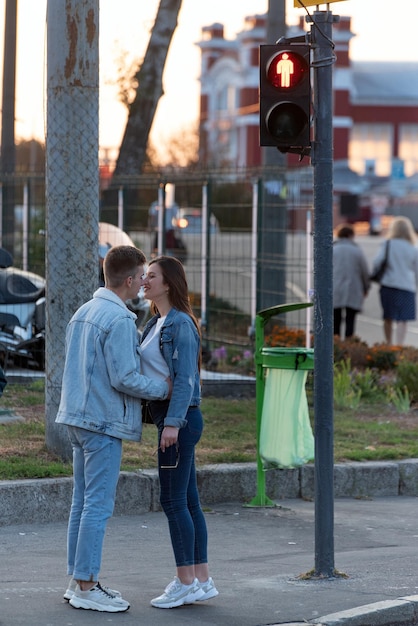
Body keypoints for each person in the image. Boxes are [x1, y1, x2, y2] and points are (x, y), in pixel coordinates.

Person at [56, 245, 170, 613]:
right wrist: (163, 389)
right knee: (97, 507)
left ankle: (78, 581)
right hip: (102, 421)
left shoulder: (84, 312)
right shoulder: (119, 319)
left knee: (81, 503)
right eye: (140, 276)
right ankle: (88, 584)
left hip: (76, 418)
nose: (142, 283)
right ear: (128, 279)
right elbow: (124, 377)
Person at [140, 255, 218, 609]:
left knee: (173, 502)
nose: (144, 281)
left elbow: (186, 379)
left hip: (179, 423)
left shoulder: (180, 324)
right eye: (144, 276)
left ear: (168, 283)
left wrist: (172, 423)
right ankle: (201, 578)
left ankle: (185, 581)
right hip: (174, 421)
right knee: (188, 502)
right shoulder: (155, 322)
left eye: (151, 276)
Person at [371, 216, 418, 345]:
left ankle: (389, 343)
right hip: (407, 286)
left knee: (388, 317)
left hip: (389, 284)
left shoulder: (388, 244)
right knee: (403, 319)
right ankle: (399, 345)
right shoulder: (413, 247)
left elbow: (377, 262)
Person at [333, 223, 370, 339]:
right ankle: (349, 345)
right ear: (350, 235)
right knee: (350, 320)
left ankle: (335, 345)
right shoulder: (357, 250)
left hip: (335, 289)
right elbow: (364, 271)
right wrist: (366, 287)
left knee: (335, 319)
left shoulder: (331, 249)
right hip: (353, 289)